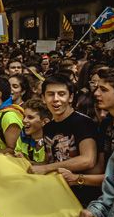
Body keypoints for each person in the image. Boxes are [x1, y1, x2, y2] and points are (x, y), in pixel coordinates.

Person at [30, 75, 99, 203]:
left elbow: (88, 160)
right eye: (50, 94)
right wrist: (27, 163)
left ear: (71, 97)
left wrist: (46, 168)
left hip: (83, 197)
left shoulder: (83, 122)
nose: (56, 99)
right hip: (58, 193)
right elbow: (49, 161)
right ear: (43, 98)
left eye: (61, 94)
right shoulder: (48, 127)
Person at [15, 99, 51, 163]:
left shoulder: (52, 142)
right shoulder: (22, 136)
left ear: (45, 122)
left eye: (30, 117)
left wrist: (26, 161)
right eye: (24, 117)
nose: (24, 120)